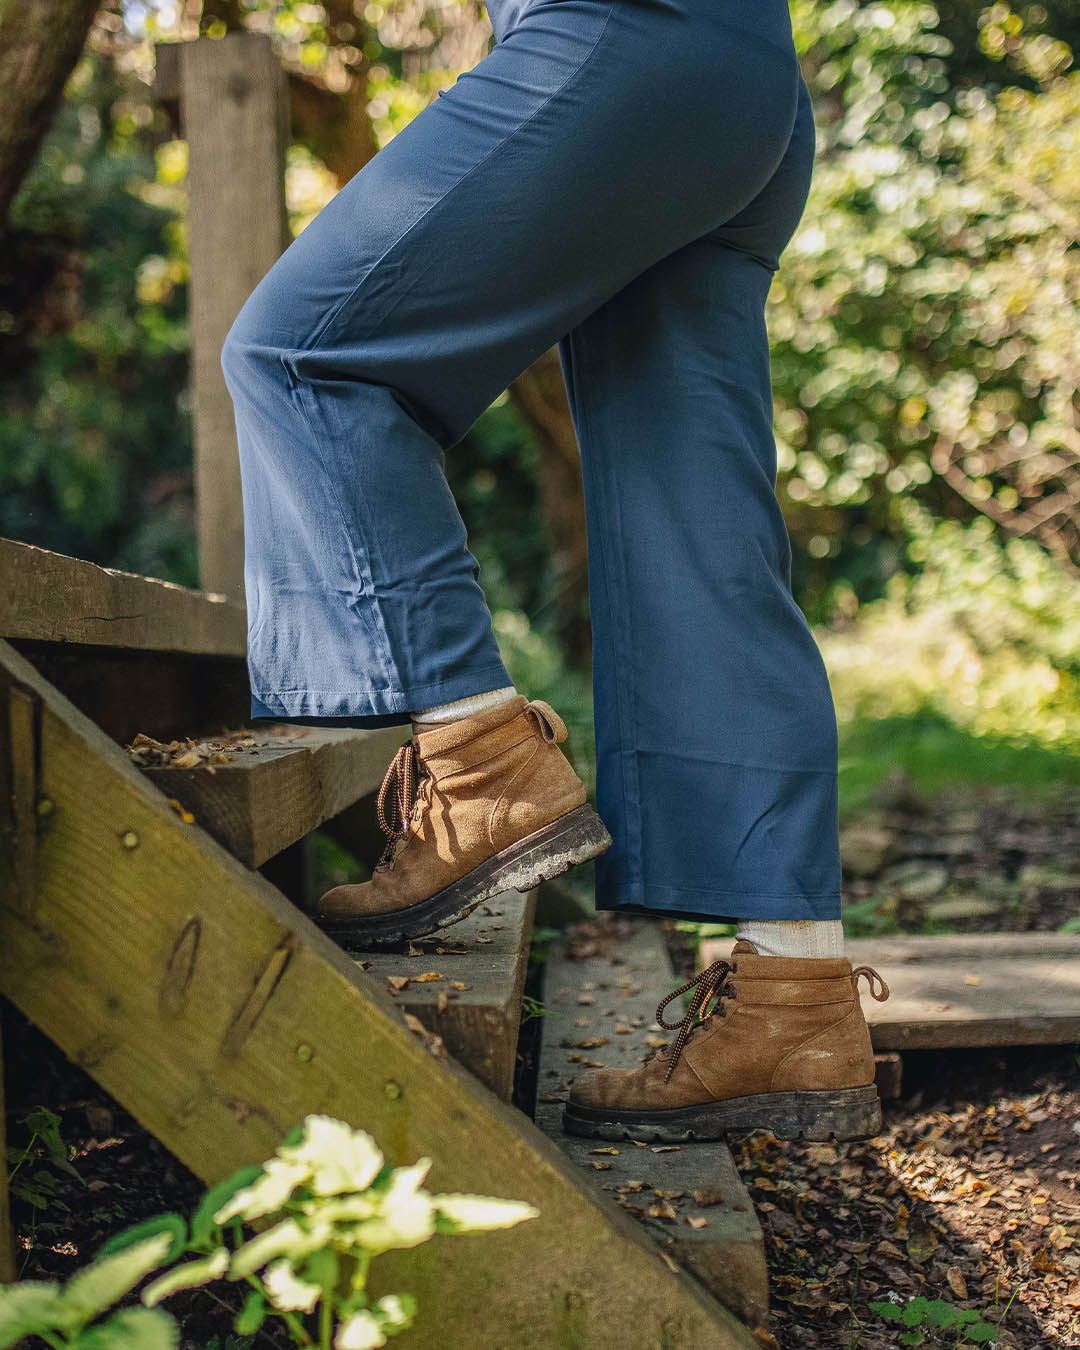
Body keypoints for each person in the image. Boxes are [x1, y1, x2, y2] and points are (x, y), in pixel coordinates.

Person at [220, 0, 890, 1142]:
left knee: (299, 355)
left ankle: (480, 765)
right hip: (742, 80)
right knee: (697, 531)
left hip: (617, 42)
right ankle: (795, 999)